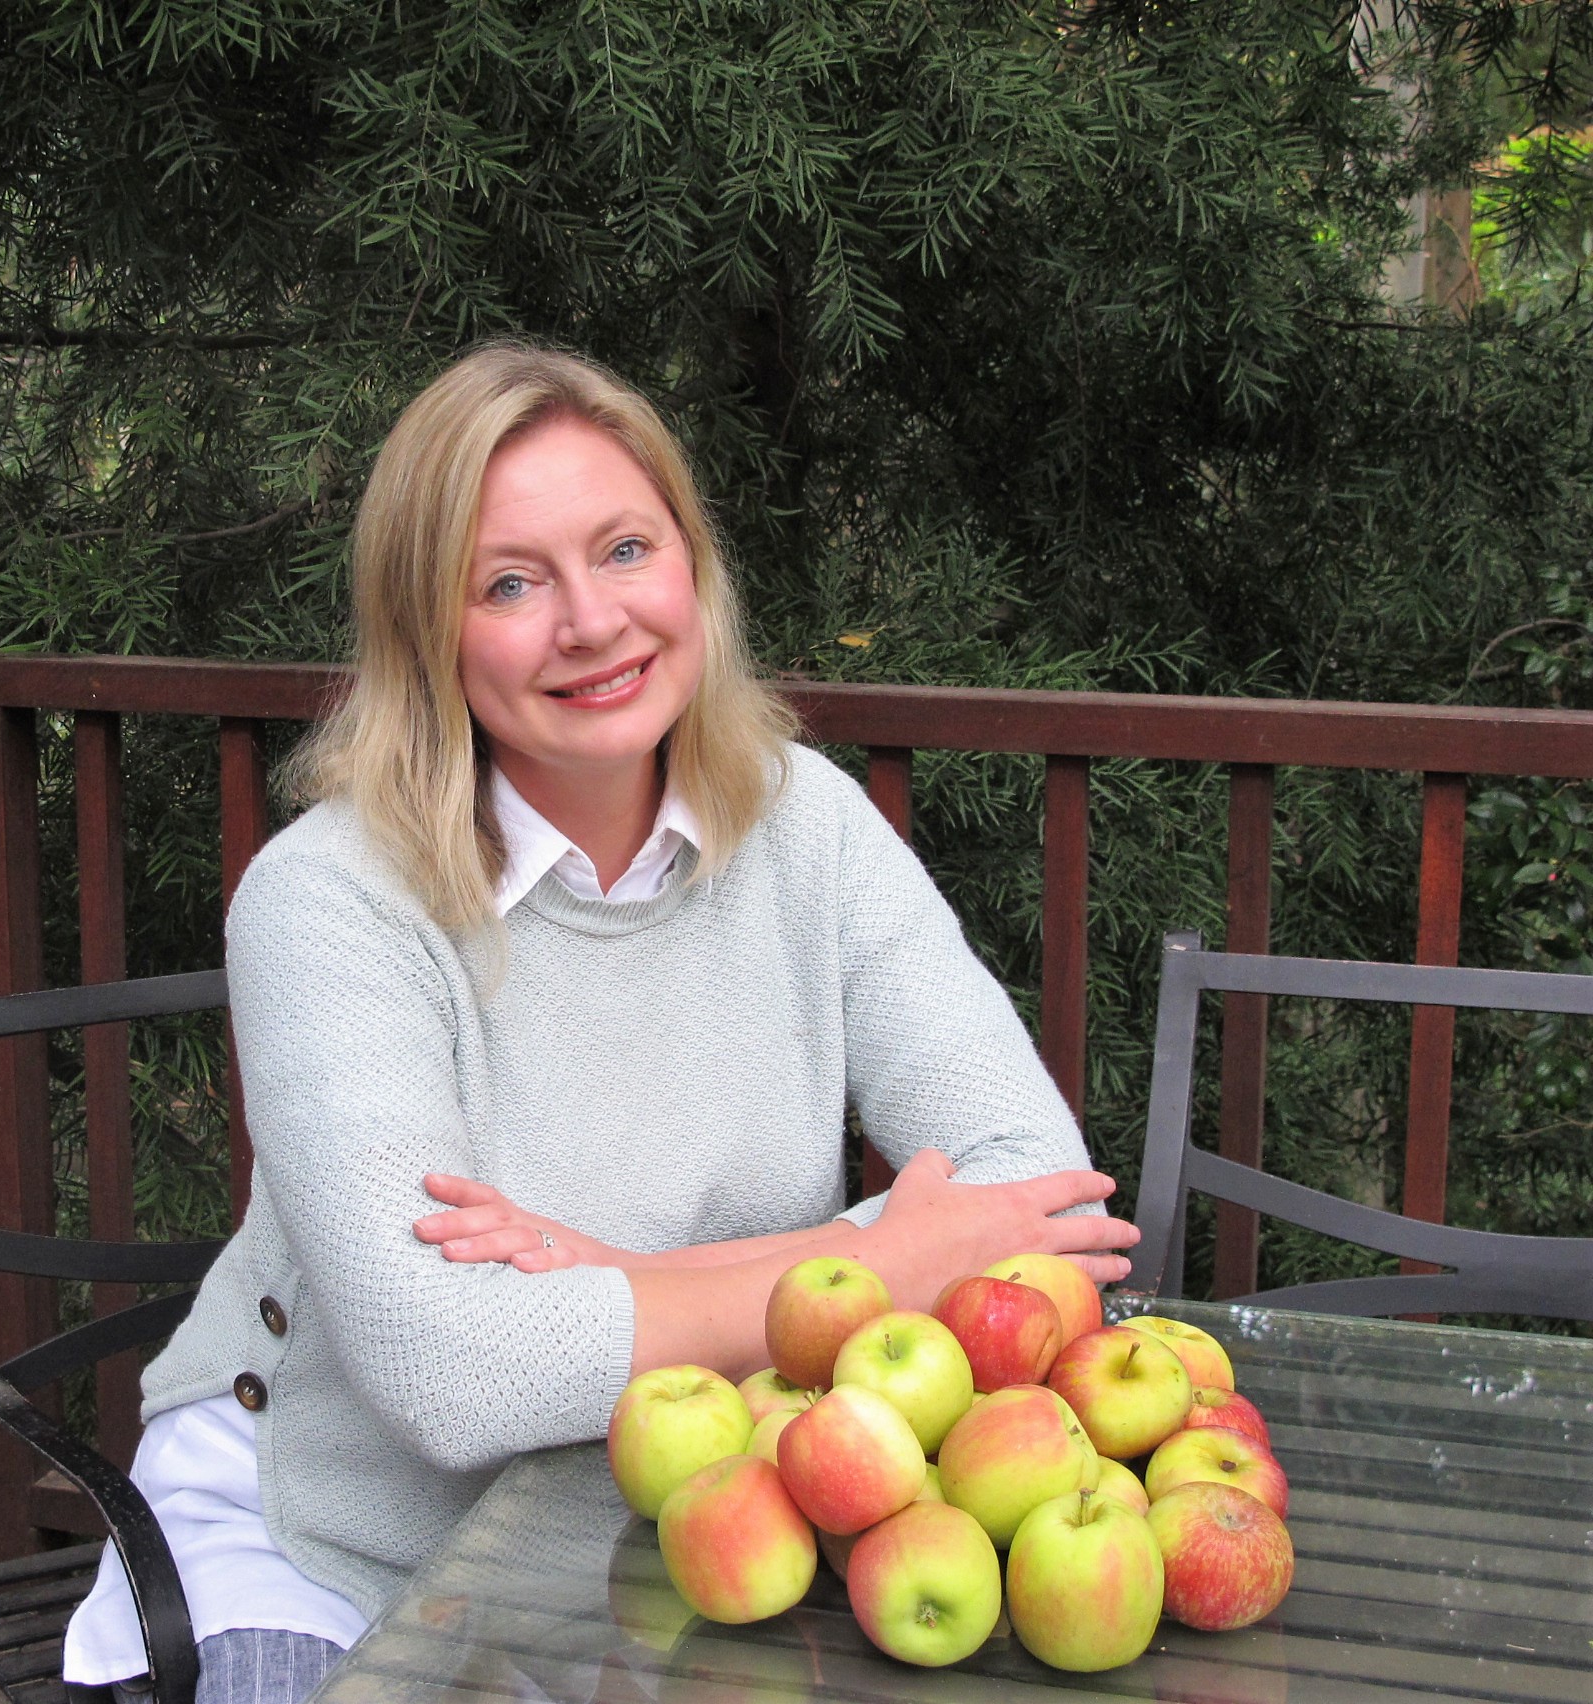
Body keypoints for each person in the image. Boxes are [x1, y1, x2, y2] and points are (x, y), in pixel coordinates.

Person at [64, 343, 1138, 1703]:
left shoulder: (808, 828)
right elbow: (452, 1375)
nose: (590, 620)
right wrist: (882, 1260)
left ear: (693, 566)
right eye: (510, 584)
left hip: (672, 1530)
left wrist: (605, 1275)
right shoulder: (330, 900)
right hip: (334, 1544)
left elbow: (1043, 1203)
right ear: (427, 633)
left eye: (626, 549)